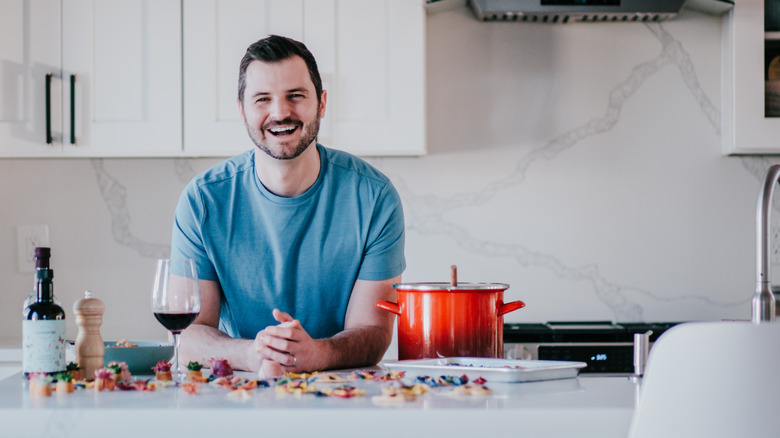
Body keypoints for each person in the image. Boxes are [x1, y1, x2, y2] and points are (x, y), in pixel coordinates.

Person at [171, 35, 406, 374]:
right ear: (242, 111)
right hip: (240, 392)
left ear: (322, 104)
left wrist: (319, 354)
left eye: (296, 96)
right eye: (263, 99)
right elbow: (187, 334)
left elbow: (374, 332)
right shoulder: (202, 201)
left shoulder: (374, 197)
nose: (280, 112)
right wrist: (255, 353)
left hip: (346, 396)